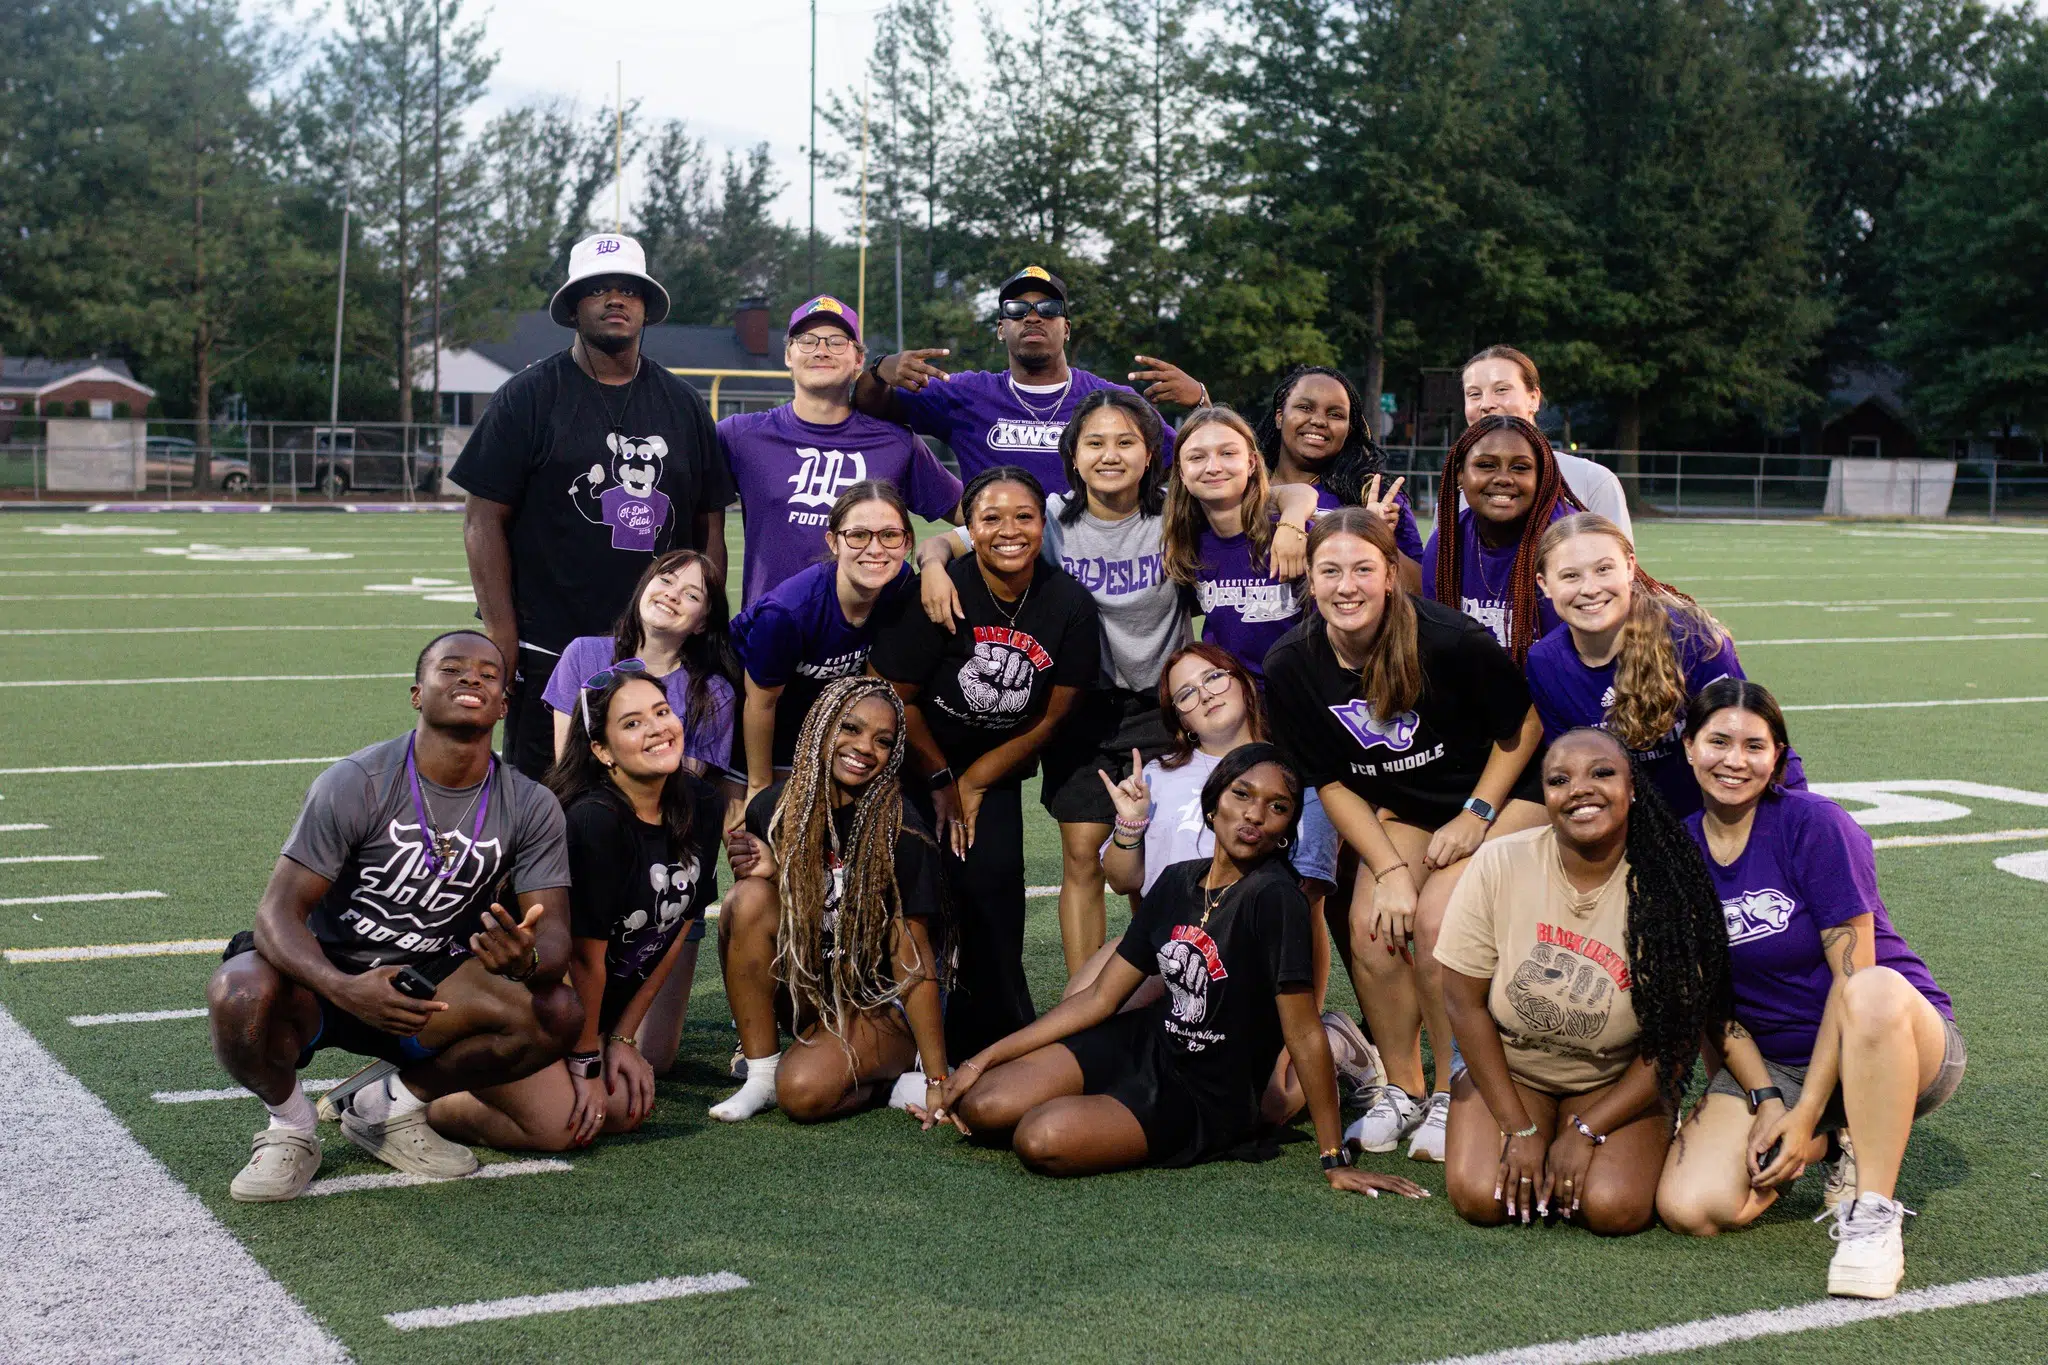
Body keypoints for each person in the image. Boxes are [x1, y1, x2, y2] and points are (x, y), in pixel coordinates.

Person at [935, 744, 1425, 1200]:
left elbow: (1299, 1029)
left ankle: (1342, 1047)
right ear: (1213, 805)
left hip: (1208, 1086)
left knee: (1041, 1138)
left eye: (1278, 807)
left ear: (1287, 828)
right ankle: (1087, 1097)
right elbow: (1099, 999)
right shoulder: (1176, 881)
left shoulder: (1276, 900)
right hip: (1147, 1042)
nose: (1256, 814)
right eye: (1243, 794)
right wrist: (981, 1061)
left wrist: (1333, 1157)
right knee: (984, 1106)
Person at [204, 631, 576, 1201]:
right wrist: (343, 987)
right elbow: (275, 915)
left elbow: (553, 939)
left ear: (504, 705)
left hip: (429, 988)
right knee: (237, 991)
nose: (471, 679)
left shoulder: (530, 804)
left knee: (556, 1012)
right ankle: (291, 1128)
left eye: (488, 674)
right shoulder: (358, 782)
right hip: (324, 979)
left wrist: (527, 962)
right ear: (416, 694)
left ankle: (387, 1107)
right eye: (451, 669)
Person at [1656, 679, 1964, 1300]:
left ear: (1777, 757)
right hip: (1776, 1060)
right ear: (1689, 748)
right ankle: (1830, 1139)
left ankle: (1873, 1214)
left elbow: (1852, 982)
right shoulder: (1678, 849)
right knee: (1691, 1207)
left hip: (1887, 1042)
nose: (1734, 760)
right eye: (1717, 742)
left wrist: (1803, 1109)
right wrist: (1771, 1100)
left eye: (1754, 745)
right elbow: (1713, 1003)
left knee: (1871, 989)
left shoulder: (1817, 825)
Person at [1264, 507, 1547, 1163]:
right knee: (1370, 921)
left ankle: (1456, 1090)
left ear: (1391, 574)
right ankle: (1402, 1085)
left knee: (1437, 922)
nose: (1346, 585)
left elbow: (1524, 727)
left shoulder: (1449, 640)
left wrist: (1477, 811)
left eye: (1363, 568)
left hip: (1500, 793)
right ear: (1309, 577)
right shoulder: (1292, 664)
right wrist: (1389, 869)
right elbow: (1330, 780)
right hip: (1407, 805)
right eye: (1329, 570)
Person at [915, 390, 1189, 975]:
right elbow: (946, 537)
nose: (1109, 455)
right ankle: (1084, 1003)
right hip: (1081, 707)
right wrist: (933, 565)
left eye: (1125, 442)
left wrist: (1294, 519)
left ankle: (1166, 1002)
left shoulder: (1176, 517)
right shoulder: (1054, 519)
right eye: (1094, 442)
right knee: (1082, 858)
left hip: (1162, 709)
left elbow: (1269, 494)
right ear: (1073, 455)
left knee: (1161, 863)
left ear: (1149, 455)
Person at [454, 232, 737, 778]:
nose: (615, 300)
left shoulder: (681, 404)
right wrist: (503, 634)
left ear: (646, 306)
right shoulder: (528, 396)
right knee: (543, 808)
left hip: (659, 653)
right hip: (548, 648)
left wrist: (698, 626)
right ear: (573, 307)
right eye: (598, 290)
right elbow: (482, 519)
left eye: (629, 290)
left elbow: (710, 530)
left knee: (656, 809)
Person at [1436, 728, 1731, 1234]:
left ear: (1632, 786)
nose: (1580, 789)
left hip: (1613, 1076)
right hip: (1515, 1066)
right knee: (1481, 1197)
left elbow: (1677, 1037)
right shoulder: (1501, 862)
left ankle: (1644, 1122)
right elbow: (1463, 1003)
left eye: (1602, 773)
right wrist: (1518, 1127)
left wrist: (1588, 1130)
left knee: (1612, 1208)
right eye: (1559, 779)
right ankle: (1527, 1124)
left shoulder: (1668, 881)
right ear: (1545, 797)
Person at [426, 667, 723, 1149]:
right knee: (564, 1126)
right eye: (631, 723)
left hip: (579, 1012)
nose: (656, 728)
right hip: (520, 1006)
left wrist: (623, 1038)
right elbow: (583, 958)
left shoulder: (702, 804)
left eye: (662, 712)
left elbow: (675, 928)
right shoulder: (593, 821)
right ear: (602, 752)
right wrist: (587, 1060)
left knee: (625, 1109)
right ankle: (409, 1096)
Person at [869, 466, 1101, 1061]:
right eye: (990, 518)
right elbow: (893, 694)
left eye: (1024, 516)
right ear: (969, 527)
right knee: (912, 892)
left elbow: (1052, 716)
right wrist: (943, 778)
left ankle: (991, 1035)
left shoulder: (1066, 601)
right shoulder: (942, 591)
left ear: (1042, 523)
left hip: (992, 767)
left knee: (994, 892)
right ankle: (891, 1034)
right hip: (913, 763)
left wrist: (974, 780)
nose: (1009, 530)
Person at [709, 678, 952, 1123]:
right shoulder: (774, 808)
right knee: (747, 899)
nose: (864, 748)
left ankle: (900, 1076)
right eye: (851, 728)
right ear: (821, 726)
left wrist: (939, 1080)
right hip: (817, 986)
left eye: (883, 741)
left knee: (802, 1093)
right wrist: (778, 872)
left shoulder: (905, 831)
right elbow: (805, 907)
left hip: (882, 1001)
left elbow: (911, 958)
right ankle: (761, 1075)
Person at [1528, 512, 1806, 814]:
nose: (1590, 588)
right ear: (1545, 584)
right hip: (1627, 825)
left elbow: (1752, 741)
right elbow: (1571, 771)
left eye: (1604, 569)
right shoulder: (1544, 663)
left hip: (1715, 818)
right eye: (1571, 576)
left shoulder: (1692, 639)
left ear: (1630, 568)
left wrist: (1798, 814)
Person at [850, 265, 1206, 494]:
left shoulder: (1111, 400)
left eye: (1049, 309)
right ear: (1001, 330)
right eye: (1017, 310)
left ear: (1066, 329)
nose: (1033, 317)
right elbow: (868, 403)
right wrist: (880, 369)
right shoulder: (965, 393)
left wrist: (1201, 401)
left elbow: (1190, 463)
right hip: (994, 567)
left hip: (1088, 571)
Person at [718, 295, 961, 609]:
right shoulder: (739, 435)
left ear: (859, 359)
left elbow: (975, 515)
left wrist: (936, 557)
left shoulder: (895, 442)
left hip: (869, 644)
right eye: (807, 341)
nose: (821, 350)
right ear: (788, 355)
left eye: (836, 341)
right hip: (772, 640)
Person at [731, 482, 917, 807]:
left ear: (907, 542)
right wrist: (759, 789)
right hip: (745, 725)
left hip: (812, 720)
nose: (876, 549)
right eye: (859, 535)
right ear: (833, 541)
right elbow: (760, 705)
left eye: (889, 535)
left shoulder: (899, 581)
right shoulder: (788, 614)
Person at [539, 549, 738, 784]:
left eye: (692, 595)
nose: (672, 595)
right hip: (584, 804)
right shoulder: (582, 655)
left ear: (702, 623)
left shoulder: (714, 693)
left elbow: (681, 785)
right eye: (665, 580)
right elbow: (569, 764)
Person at [1421, 412, 1582, 663]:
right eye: (1486, 465)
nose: (1504, 478)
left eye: (1520, 467)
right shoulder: (1446, 544)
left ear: (1541, 477)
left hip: (1554, 695)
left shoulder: (1570, 543)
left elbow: (1579, 661)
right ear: (1460, 474)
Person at [1256, 364, 1424, 588]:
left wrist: (1377, 538)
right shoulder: (1244, 489)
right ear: (1279, 417)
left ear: (1348, 429)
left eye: (1335, 414)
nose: (1319, 421)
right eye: (1305, 408)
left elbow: (1421, 590)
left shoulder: (1373, 494)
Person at [1461, 345, 1630, 537]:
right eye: (1474, 394)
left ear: (1533, 398)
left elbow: (1618, 563)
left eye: (1501, 389)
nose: (1486, 404)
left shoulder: (1592, 481)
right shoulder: (1457, 489)